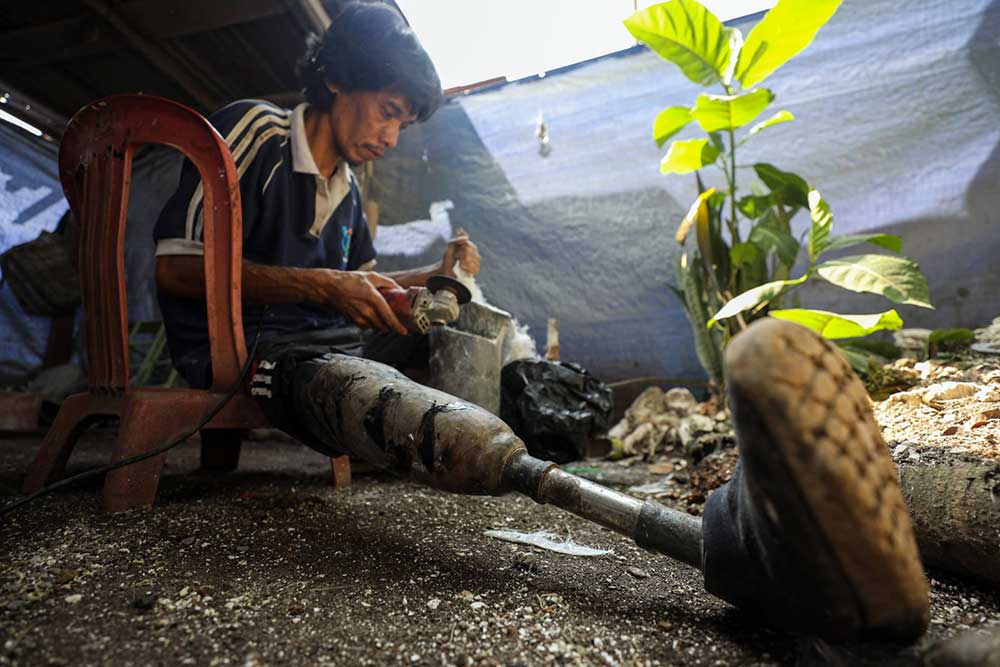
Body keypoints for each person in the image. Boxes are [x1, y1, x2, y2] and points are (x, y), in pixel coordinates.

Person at [153, 1, 929, 644]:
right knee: (365, 383)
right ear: (334, 78)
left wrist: (433, 277)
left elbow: (353, 285)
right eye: (387, 110)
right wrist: (325, 286)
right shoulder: (250, 131)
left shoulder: (349, 190)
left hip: (322, 336)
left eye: (403, 122)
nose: (391, 135)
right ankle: (720, 546)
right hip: (252, 351)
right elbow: (174, 266)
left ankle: (728, 516)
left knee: (463, 329)